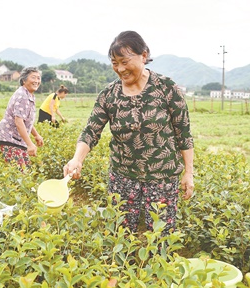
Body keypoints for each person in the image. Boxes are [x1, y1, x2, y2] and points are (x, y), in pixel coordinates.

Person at [63, 31, 194, 236]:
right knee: (119, 232)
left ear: (144, 55)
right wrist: (76, 159)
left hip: (162, 177)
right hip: (122, 177)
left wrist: (188, 173)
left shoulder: (166, 88)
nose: (120, 69)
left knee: (161, 235)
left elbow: (183, 133)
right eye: (115, 63)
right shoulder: (109, 95)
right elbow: (91, 130)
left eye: (124, 61)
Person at [0, 67, 44, 171]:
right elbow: (19, 122)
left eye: (38, 78)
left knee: (25, 170)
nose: (36, 81)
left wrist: (36, 135)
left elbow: (26, 120)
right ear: (24, 80)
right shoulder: (22, 96)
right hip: (10, 138)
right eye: (33, 78)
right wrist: (30, 144)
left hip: (18, 139)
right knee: (19, 172)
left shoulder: (29, 95)